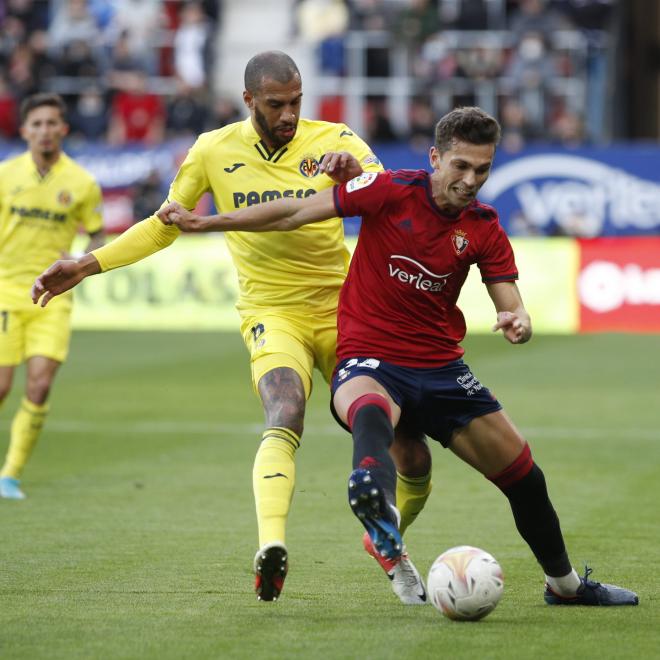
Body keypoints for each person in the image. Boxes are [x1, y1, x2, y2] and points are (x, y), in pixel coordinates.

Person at [136, 106, 637, 607]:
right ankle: (372, 501)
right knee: (370, 409)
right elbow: (292, 210)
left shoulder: (483, 227)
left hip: (442, 368)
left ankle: (564, 586)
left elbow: (512, 304)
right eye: (460, 166)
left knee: (525, 476)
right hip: (370, 357)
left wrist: (518, 322)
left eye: (482, 170)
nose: (470, 180)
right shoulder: (388, 190)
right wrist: (206, 222)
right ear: (435, 157)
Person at [30, 51, 432, 604]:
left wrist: (356, 178)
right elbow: (164, 224)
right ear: (249, 101)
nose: (289, 113)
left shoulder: (335, 138)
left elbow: (391, 198)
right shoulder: (213, 149)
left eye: (295, 101)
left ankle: (386, 540)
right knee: (284, 409)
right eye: (276, 104)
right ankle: (271, 547)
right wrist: (85, 262)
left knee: (410, 446)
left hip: (349, 312)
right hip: (272, 313)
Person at [0, 93, 105, 500]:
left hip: (52, 294)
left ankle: (9, 474)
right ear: (25, 131)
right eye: (37, 124)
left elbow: (97, 232)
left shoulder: (82, 183)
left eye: (52, 124)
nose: (45, 131)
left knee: (39, 386)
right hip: (6, 291)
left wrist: (79, 257)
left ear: (63, 129)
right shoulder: (6, 175)